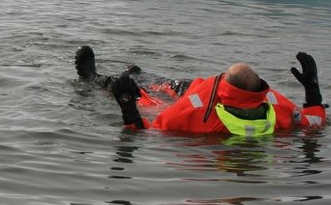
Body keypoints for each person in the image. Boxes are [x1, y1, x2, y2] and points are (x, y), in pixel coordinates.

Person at [76, 45, 327, 135]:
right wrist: (312, 90)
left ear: (225, 86)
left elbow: (147, 132)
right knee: (167, 83)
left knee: (144, 97)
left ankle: (93, 78)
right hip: (194, 92)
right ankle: (138, 74)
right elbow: (314, 121)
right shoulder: (276, 105)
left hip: (193, 103)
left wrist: (128, 105)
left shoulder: (195, 117)